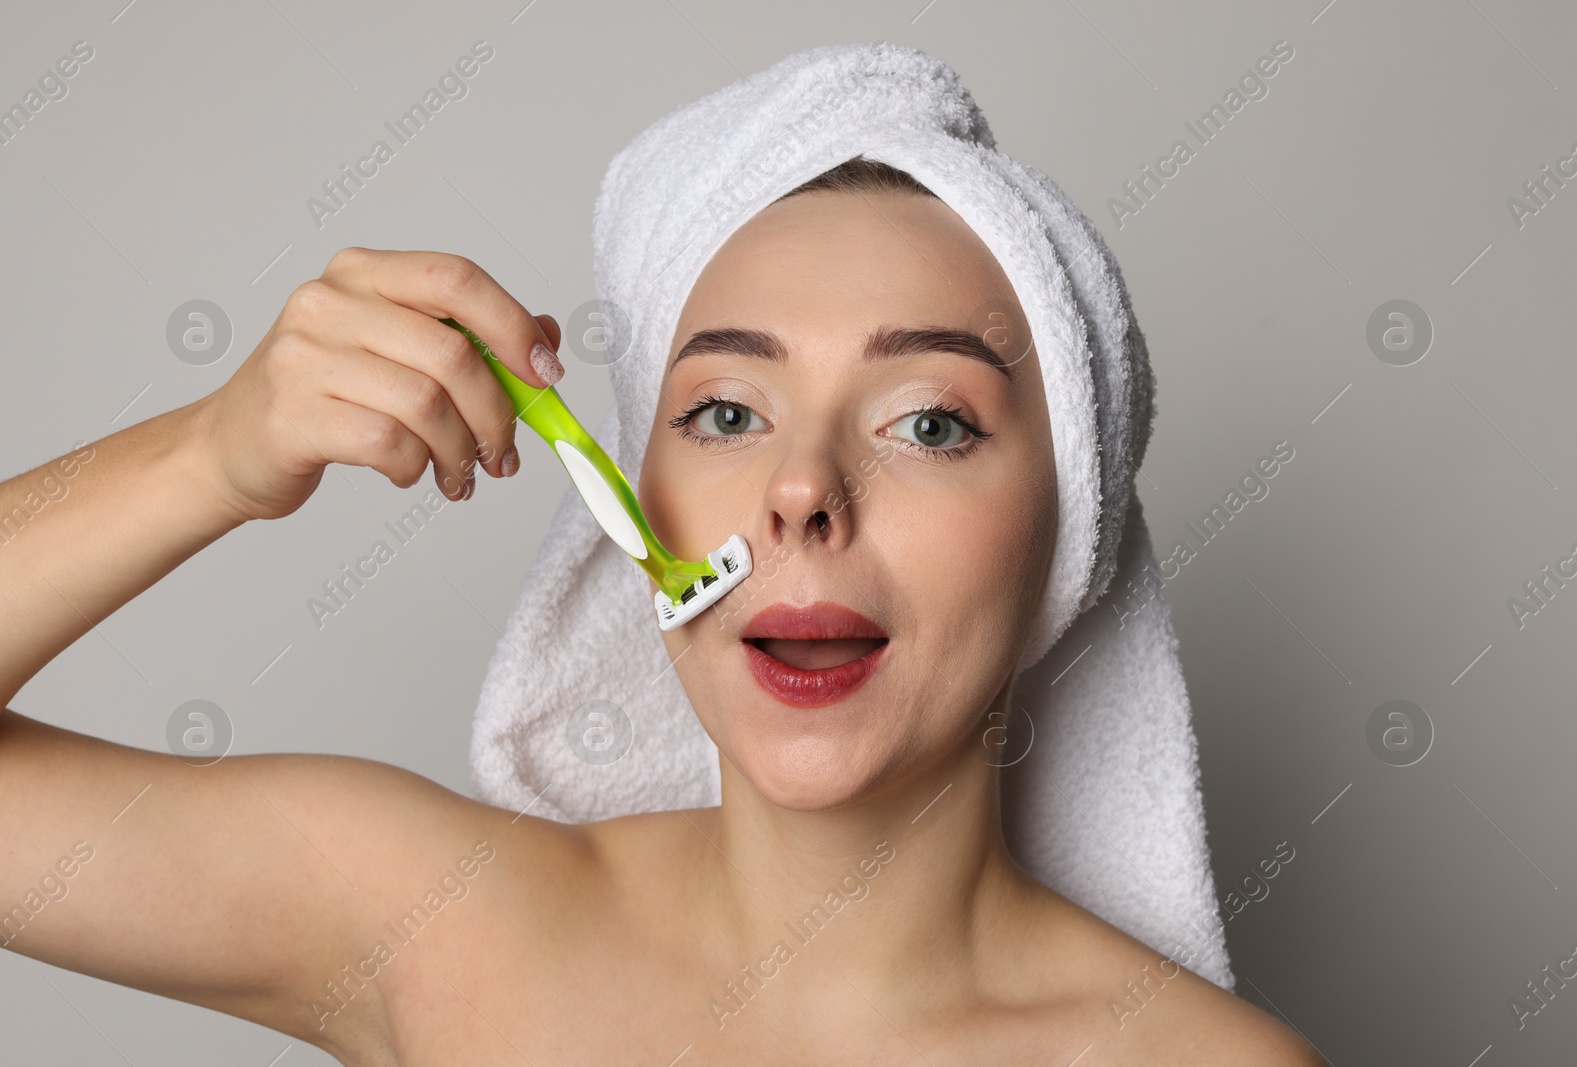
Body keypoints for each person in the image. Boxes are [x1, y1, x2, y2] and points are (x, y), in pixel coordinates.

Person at [0, 156, 1326, 1064]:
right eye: (726, 414)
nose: (804, 488)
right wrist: (214, 458)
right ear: (639, 507)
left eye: (930, 420)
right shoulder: (439, 924)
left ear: (1068, 528)